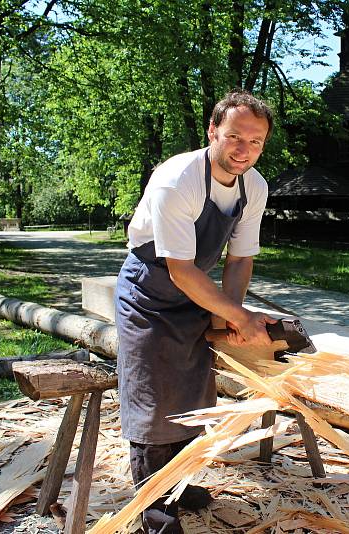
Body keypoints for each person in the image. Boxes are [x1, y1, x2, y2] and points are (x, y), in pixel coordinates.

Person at [115, 90, 276, 534]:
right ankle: (156, 512)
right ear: (212, 132)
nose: (244, 149)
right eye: (235, 137)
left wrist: (229, 314)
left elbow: (240, 259)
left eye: (256, 141)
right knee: (153, 404)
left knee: (193, 398)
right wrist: (240, 319)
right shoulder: (178, 178)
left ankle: (180, 485)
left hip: (195, 296)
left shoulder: (254, 186)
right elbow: (181, 269)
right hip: (150, 294)